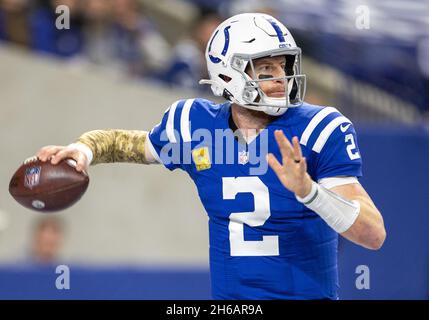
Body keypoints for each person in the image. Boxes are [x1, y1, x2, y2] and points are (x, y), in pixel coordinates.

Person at [35, 13, 386, 299]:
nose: (280, 78)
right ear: (227, 75)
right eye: (265, 70)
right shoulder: (196, 126)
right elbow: (125, 143)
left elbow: (373, 235)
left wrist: (309, 191)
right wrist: (83, 149)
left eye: (283, 66)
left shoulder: (319, 128)